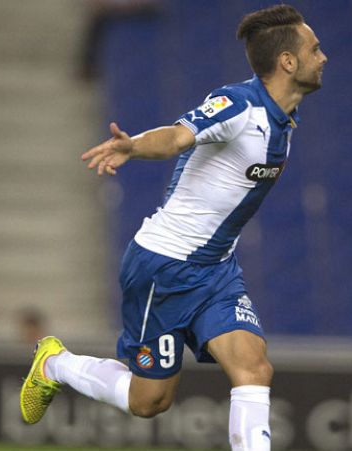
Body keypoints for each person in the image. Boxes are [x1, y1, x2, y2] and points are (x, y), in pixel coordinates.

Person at [20, 4, 326, 450]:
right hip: (163, 269)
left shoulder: (283, 119)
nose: (324, 57)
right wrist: (135, 146)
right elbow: (178, 135)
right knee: (149, 401)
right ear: (288, 62)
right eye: (315, 49)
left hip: (216, 270)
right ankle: (54, 364)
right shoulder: (239, 104)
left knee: (254, 368)